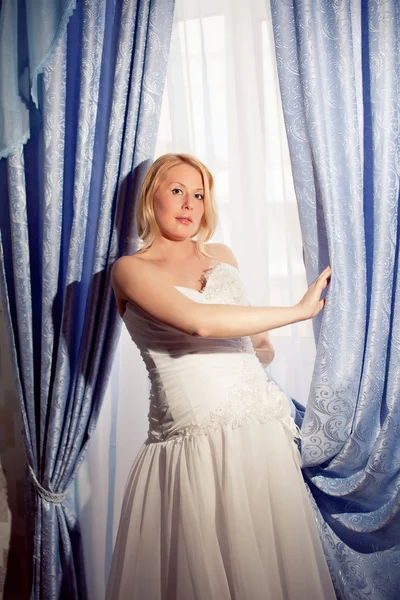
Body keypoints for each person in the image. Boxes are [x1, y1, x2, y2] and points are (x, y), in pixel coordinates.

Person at [106, 153, 336, 599]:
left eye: (199, 194)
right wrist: (299, 311)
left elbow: (256, 343)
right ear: (150, 196)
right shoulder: (130, 269)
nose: (190, 204)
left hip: (259, 435)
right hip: (194, 440)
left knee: (269, 569)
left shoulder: (222, 255)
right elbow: (199, 322)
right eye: (177, 191)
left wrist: (259, 350)